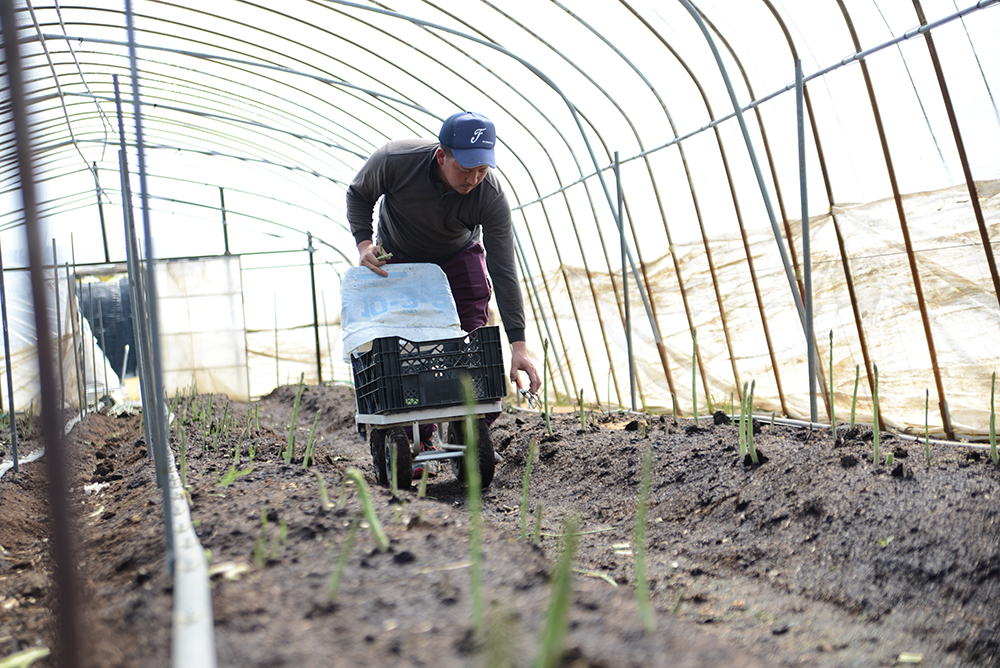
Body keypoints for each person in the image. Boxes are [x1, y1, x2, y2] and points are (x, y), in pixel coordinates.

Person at [346, 111, 541, 447]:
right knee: (404, 345)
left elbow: (504, 270)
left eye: (482, 169)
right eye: (466, 169)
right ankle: (413, 434)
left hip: (458, 255)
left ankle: (471, 421)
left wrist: (519, 346)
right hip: (400, 256)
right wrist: (365, 244)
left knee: (472, 334)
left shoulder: (490, 196)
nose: (474, 179)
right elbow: (358, 194)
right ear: (441, 156)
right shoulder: (395, 160)